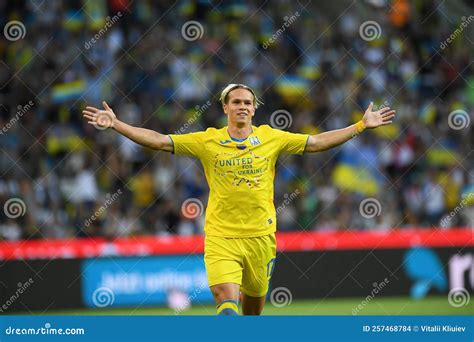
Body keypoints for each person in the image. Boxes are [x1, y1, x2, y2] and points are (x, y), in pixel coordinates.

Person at [82, 84, 396, 315]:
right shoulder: (208, 140)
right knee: (226, 301)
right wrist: (117, 125)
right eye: (236, 102)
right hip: (222, 237)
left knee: (252, 312)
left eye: (248, 102)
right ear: (226, 108)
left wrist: (360, 126)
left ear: (254, 108)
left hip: (261, 237)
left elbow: (315, 143)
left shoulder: (272, 137)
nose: (243, 106)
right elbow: (162, 142)